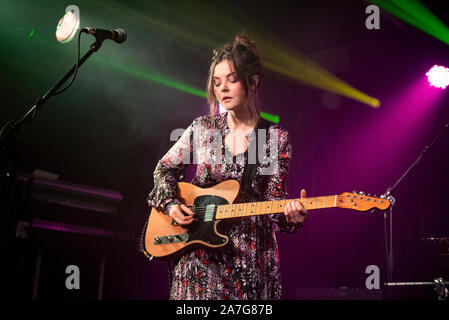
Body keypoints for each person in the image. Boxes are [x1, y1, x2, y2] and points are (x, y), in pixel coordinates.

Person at [146, 34, 308, 300]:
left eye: (232, 80)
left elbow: (273, 203)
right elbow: (164, 169)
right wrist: (171, 205)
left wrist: (291, 218)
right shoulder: (203, 129)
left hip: (250, 260)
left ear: (252, 82)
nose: (223, 89)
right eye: (217, 82)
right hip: (199, 260)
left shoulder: (273, 138)